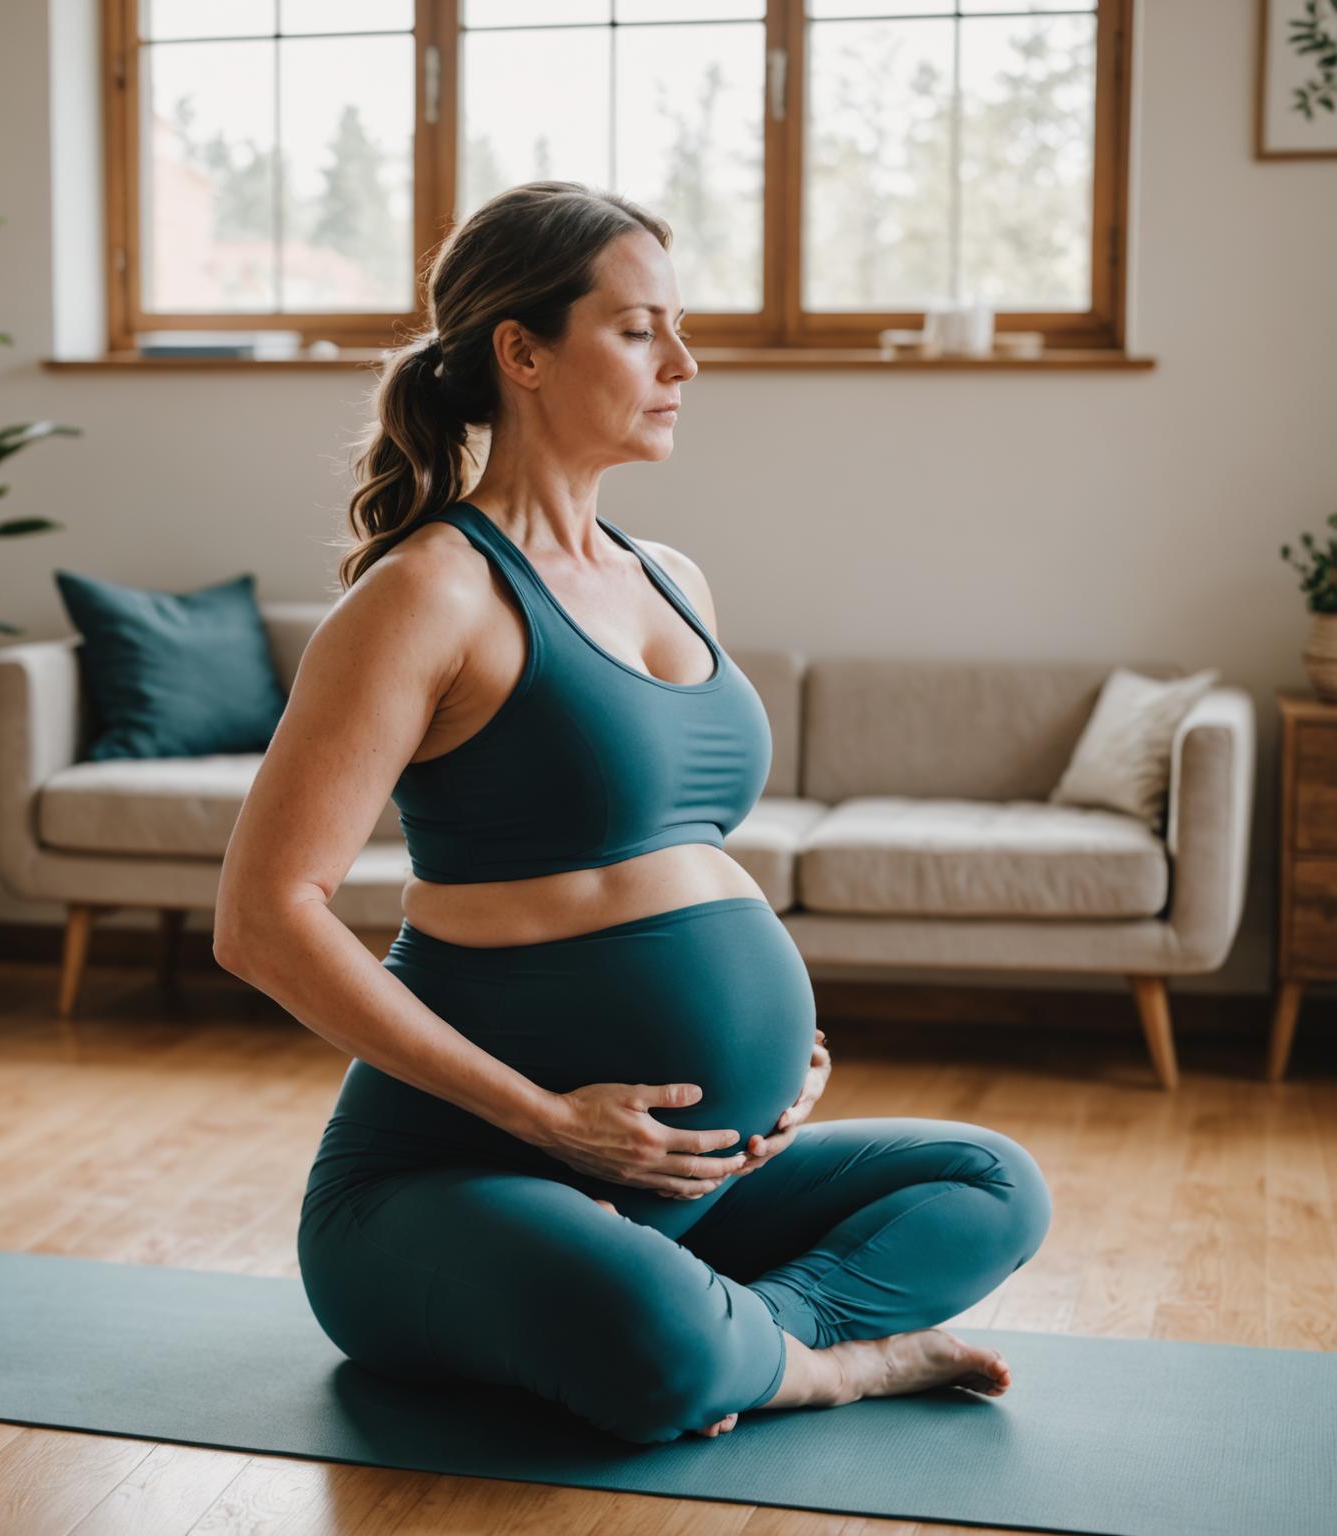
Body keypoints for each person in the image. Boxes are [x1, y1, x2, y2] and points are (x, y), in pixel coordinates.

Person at [213, 180, 1052, 1445]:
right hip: (451, 1184)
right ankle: (826, 1362)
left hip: (685, 1178)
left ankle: (736, 1341)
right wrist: (548, 1121)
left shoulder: (673, 577)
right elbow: (264, 919)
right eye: (639, 329)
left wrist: (773, 1054)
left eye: (679, 327)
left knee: (993, 1185)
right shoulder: (428, 593)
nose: (684, 363)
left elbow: (679, 857)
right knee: (652, 1343)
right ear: (522, 352)